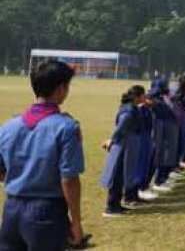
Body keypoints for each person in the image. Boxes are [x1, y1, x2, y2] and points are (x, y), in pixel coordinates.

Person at [0, 61, 89, 250]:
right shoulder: (66, 128)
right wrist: (76, 223)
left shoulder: (8, 126)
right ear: (60, 89)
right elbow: (69, 180)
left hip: (12, 209)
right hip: (46, 211)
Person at [100, 85, 147, 216]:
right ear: (137, 96)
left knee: (122, 174)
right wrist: (112, 140)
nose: (145, 98)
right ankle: (111, 206)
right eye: (143, 95)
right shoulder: (128, 111)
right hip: (123, 146)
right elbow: (121, 127)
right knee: (117, 174)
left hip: (128, 145)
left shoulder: (133, 108)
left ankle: (116, 204)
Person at [151, 86, 180, 193]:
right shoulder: (160, 106)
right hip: (163, 136)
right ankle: (159, 181)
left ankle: (162, 178)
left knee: (167, 156)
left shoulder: (164, 104)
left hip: (169, 134)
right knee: (162, 156)